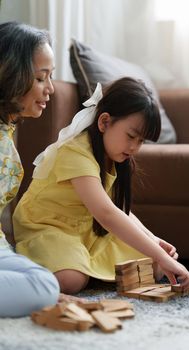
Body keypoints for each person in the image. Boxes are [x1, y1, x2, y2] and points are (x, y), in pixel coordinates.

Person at [13, 76, 189, 295]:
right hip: (49, 227)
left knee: (152, 267)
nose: (135, 147)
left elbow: (118, 209)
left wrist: (152, 240)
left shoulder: (115, 156)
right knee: (71, 280)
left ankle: (80, 261)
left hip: (86, 229)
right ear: (104, 122)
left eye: (141, 141)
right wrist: (162, 256)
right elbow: (106, 213)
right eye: (131, 136)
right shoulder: (75, 151)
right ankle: (24, 272)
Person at [0, 21, 61, 317]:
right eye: (41, 78)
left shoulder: (6, 130)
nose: (50, 89)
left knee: (46, 283)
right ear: (11, 75)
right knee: (44, 286)